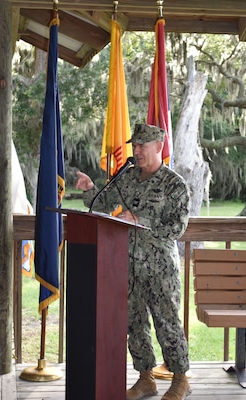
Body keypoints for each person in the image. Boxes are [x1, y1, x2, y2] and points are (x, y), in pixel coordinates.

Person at [76, 123, 191, 400]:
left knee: (167, 323)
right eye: (134, 146)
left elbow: (178, 227)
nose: (136, 151)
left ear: (158, 147)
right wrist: (90, 188)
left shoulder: (174, 184)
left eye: (141, 145)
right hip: (126, 265)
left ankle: (180, 379)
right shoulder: (127, 178)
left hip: (160, 268)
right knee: (134, 324)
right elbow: (102, 204)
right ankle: (146, 378)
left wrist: (142, 221)